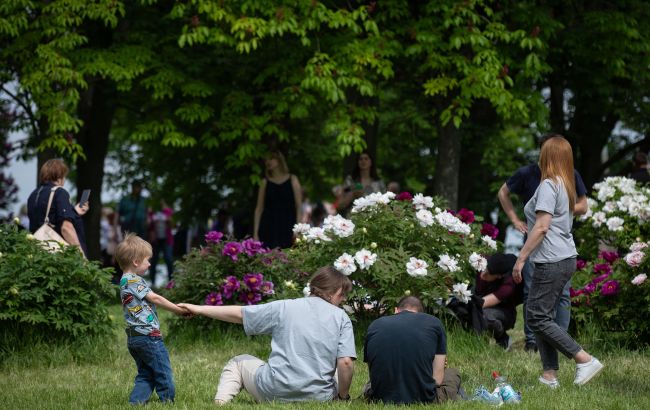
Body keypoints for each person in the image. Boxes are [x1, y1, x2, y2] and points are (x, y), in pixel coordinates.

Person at [178, 266, 356, 404]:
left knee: (238, 362)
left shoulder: (285, 307)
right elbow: (345, 362)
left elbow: (241, 314)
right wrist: (342, 397)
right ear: (330, 292)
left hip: (273, 390)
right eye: (342, 295)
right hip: (319, 396)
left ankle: (221, 403)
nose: (344, 300)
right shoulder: (341, 317)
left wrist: (199, 308)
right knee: (335, 372)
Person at [512, 136, 604, 388]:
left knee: (537, 318)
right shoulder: (565, 185)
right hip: (564, 257)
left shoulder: (549, 186)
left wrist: (521, 258)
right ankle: (549, 375)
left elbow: (541, 227)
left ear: (547, 156)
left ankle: (584, 359)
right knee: (541, 316)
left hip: (551, 259)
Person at [497, 133, 588, 352]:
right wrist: (515, 220)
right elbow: (504, 193)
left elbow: (543, 225)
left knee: (551, 303)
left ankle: (572, 351)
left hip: (550, 250)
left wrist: (520, 259)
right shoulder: (534, 175)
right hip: (556, 251)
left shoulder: (555, 183)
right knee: (533, 297)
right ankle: (540, 353)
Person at [116, 233, 189, 404]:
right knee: (163, 371)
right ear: (136, 261)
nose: (149, 263)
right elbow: (155, 298)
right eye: (147, 260)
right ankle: (167, 402)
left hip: (134, 338)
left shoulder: (123, 280)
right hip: (149, 336)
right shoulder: (134, 280)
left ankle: (136, 402)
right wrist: (177, 309)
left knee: (146, 373)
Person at [363, 296, 461, 404]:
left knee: (370, 383)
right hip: (424, 397)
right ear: (421, 314)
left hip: (380, 397)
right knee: (453, 373)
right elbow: (437, 380)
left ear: (396, 310)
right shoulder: (434, 323)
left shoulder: (375, 325)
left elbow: (373, 373)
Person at [27, 158, 88, 256]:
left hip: (37, 252)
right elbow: (66, 228)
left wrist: (74, 212)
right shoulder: (59, 193)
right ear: (60, 176)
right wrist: (80, 254)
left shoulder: (33, 195)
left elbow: (48, 216)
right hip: (56, 255)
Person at [253, 151, 302, 249]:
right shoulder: (264, 183)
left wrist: (298, 230)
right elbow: (259, 209)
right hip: (267, 228)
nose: (268, 162)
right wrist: (255, 233)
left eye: (271, 158)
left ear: (279, 160)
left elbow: (299, 207)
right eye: (266, 160)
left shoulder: (293, 179)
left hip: (288, 227)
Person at [475, 253, 519, 350]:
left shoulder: (508, 285)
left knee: (483, 316)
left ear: (499, 276)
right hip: (480, 301)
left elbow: (482, 303)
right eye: (485, 268)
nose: (483, 273)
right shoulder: (481, 262)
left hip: (503, 311)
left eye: (488, 273)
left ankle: (502, 338)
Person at [148, 199, 174, 288]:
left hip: (166, 240)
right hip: (155, 241)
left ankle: (171, 282)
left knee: (169, 259)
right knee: (153, 261)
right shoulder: (151, 212)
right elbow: (148, 225)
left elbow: (172, 224)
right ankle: (153, 283)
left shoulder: (167, 211)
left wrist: (166, 210)